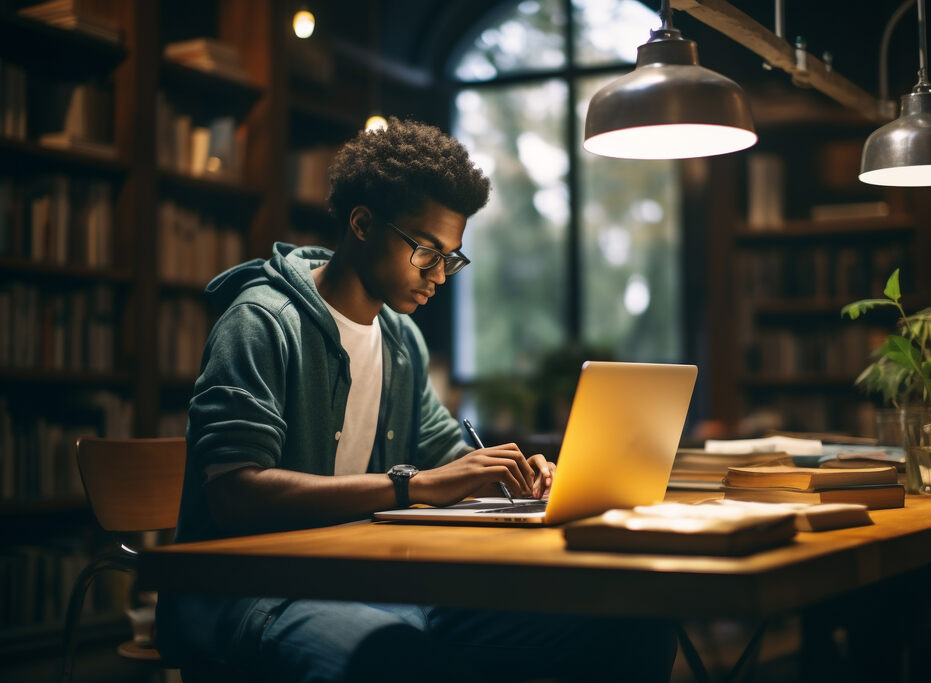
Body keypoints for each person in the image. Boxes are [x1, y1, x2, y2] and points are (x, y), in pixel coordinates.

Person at [157, 118, 676, 682]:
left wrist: (504, 471)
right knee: (404, 664)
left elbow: (449, 454)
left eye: (451, 256)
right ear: (361, 223)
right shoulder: (261, 321)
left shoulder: (402, 340)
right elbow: (235, 492)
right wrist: (412, 484)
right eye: (426, 250)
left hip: (371, 584)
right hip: (254, 595)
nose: (440, 275)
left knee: (629, 627)